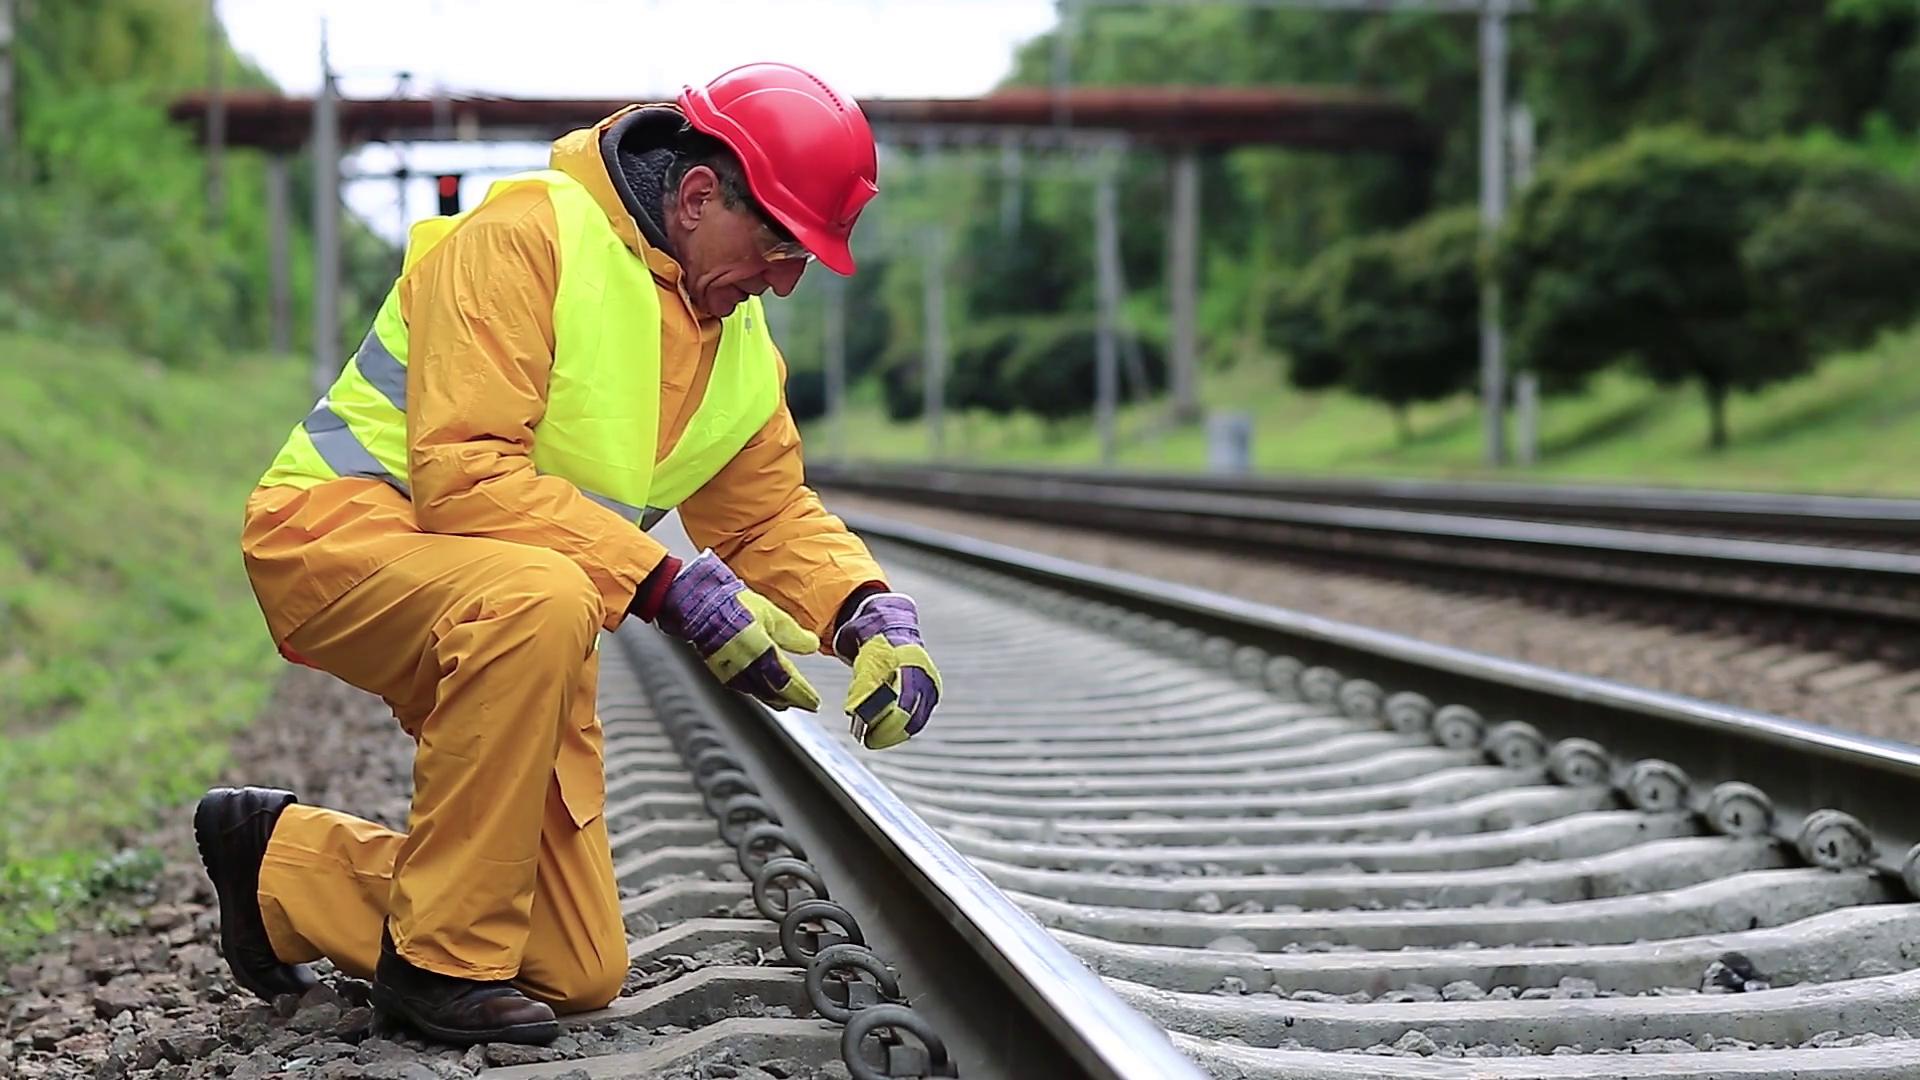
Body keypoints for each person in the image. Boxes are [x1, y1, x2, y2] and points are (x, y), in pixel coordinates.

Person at [192, 62, 942, 1048]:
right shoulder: (524, 236)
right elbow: (462, 473)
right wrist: (665, 585)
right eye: (779, 241)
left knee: (574, 963)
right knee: (549, 598)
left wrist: (866, 612)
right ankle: (433, 972)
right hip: (342, 535)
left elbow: (766, 516)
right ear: (700, 193)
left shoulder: (737, 345)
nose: (787, 278)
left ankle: (280, 864)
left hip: (507, 596)